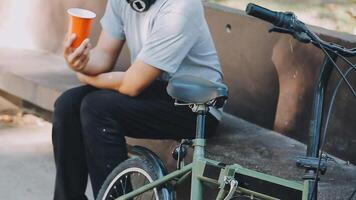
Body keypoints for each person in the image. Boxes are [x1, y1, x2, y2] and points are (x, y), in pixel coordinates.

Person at [52, 0, 224, 199]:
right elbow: (104, 56)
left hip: (198, 105)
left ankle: (114, 197)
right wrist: (79, 61)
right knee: (68, 105)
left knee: (97, 108)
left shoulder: (181, 7)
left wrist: (84, 76)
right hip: (156, 87)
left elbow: (132, 84)